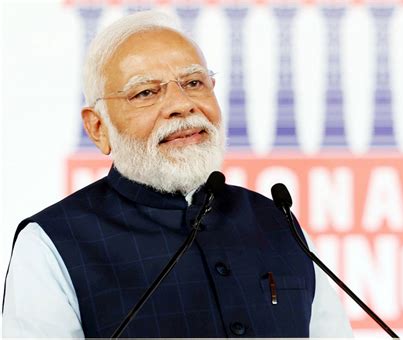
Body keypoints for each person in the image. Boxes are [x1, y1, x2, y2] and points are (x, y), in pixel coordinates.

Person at [2, 10, 353, 338]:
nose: (181, 105)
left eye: (194, 82)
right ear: (97, 128)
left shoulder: (278, 222)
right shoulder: (51, 244)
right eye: (146, 92)